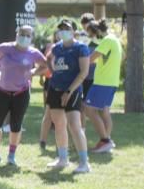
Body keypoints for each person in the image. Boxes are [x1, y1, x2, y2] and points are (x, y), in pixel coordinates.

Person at [0, 25, 47, 165]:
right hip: (2, 91)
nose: (24, 37)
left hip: (21, 93)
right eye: (22, 34)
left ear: (31, 38)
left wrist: (34, 72)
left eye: (28, 35)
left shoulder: (33, 53)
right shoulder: (5, 48)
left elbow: (45, 65)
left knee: (16, 125)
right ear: (16, 34)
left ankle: (11, 156)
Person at [44, 18, 91, 172]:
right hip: (55, 89)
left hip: (73, 91)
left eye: (67, 29)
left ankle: (84, 163)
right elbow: (49, 60)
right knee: (58, 124)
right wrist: (51, 71)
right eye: (61, 29)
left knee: (74, 125)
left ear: (73, 31)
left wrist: (69, 91)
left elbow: (84, 72)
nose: (63, 31)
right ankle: (63, 159)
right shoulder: (57, 48)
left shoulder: (81, 48)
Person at [83, 18, 122, 153]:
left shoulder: (106, 41)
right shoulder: (115, 40)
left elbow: (90, 58)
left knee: (88, 109)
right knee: (104, 112)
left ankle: (105, 140)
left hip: (102, 83)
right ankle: (106, 142)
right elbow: (106, 60)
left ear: (98, 30)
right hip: (111, 82)